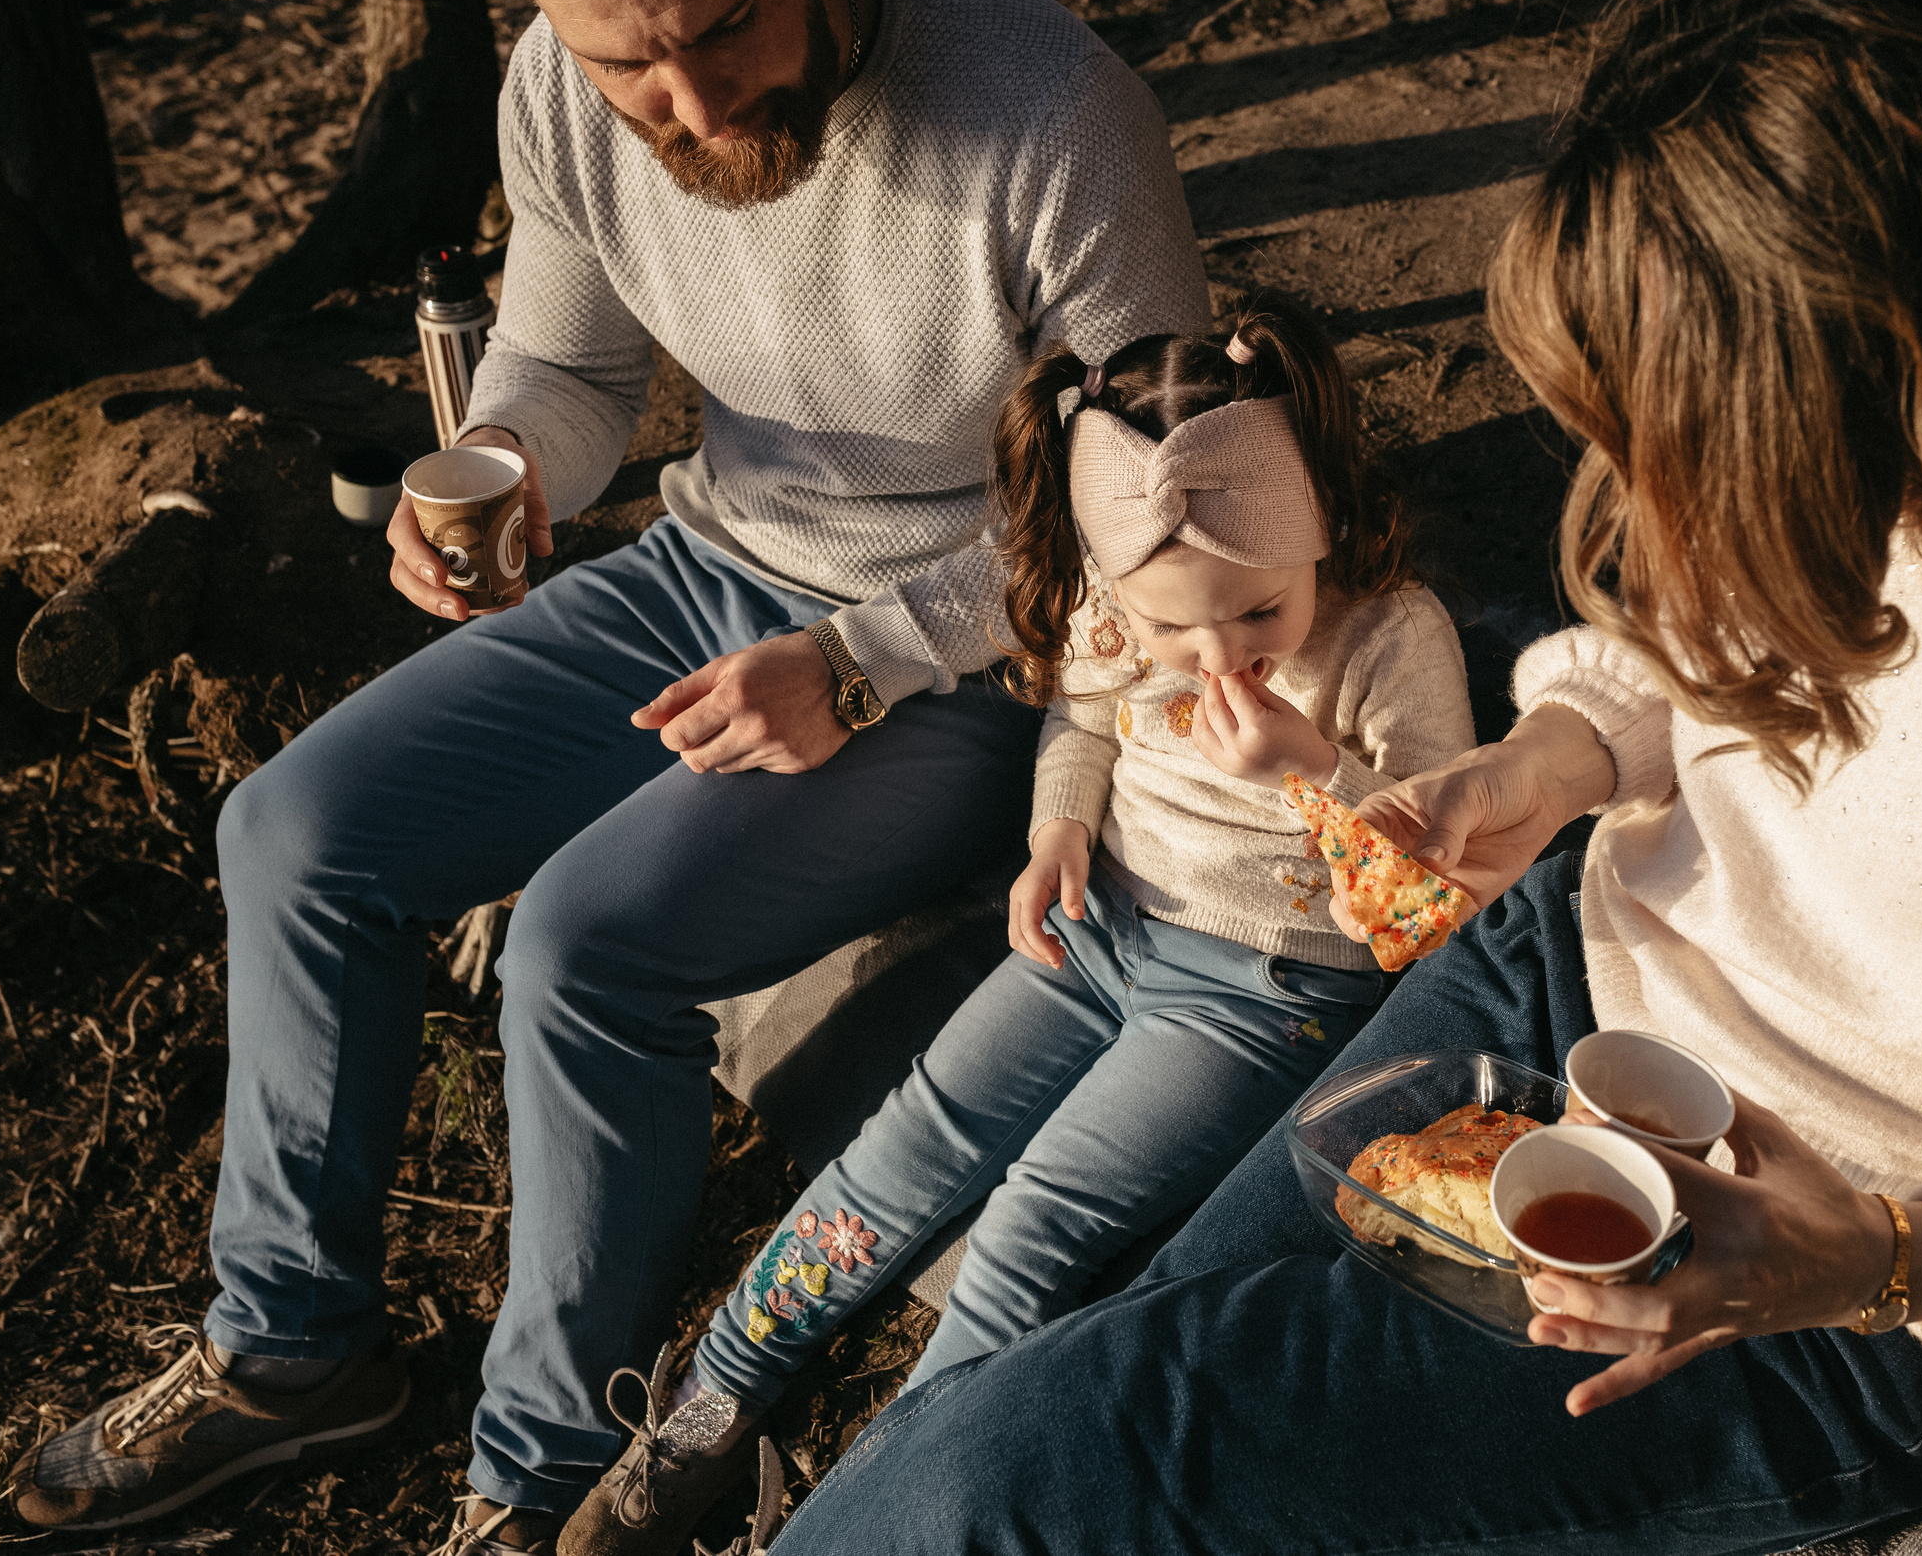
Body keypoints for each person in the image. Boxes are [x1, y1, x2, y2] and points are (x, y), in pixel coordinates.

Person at [762, 0, 1922, 1556]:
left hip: (1842, 1270)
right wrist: (1560, 760)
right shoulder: (1836, 437)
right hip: (1570, 981)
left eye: (1688, 439)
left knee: (1016, 1469)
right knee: (1129, 1373)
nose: (1651, 495)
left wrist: (1885, 1255)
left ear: (1909, 381)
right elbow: (1674, 643)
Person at [10, 0, 1206, 1547]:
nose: (692, 101)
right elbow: (567, 372)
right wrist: (494, 468)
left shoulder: (1049, 112)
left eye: (723, 29)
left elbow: (1160, 502)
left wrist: (864, 665)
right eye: (621, 61)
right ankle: (291, 1350)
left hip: (989, 643)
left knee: (583, 945)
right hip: (710, 568)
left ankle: (541, 1468)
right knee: (294, 826)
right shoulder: (557, 94)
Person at [561, 302, 1476, 1552]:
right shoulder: (1118, 591)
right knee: (904, 1151)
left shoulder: (1391, 635)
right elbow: (1084, 721)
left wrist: (1309, 767)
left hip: (1266, 983)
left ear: (1316, 519)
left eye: (1260, 615)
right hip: (1098, 918)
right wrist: (1057, 834)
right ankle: (717, 1395)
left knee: (1039, 1223)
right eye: (1173, 630)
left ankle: (877, 1509)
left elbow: (1445, 878)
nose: (1217, 656)